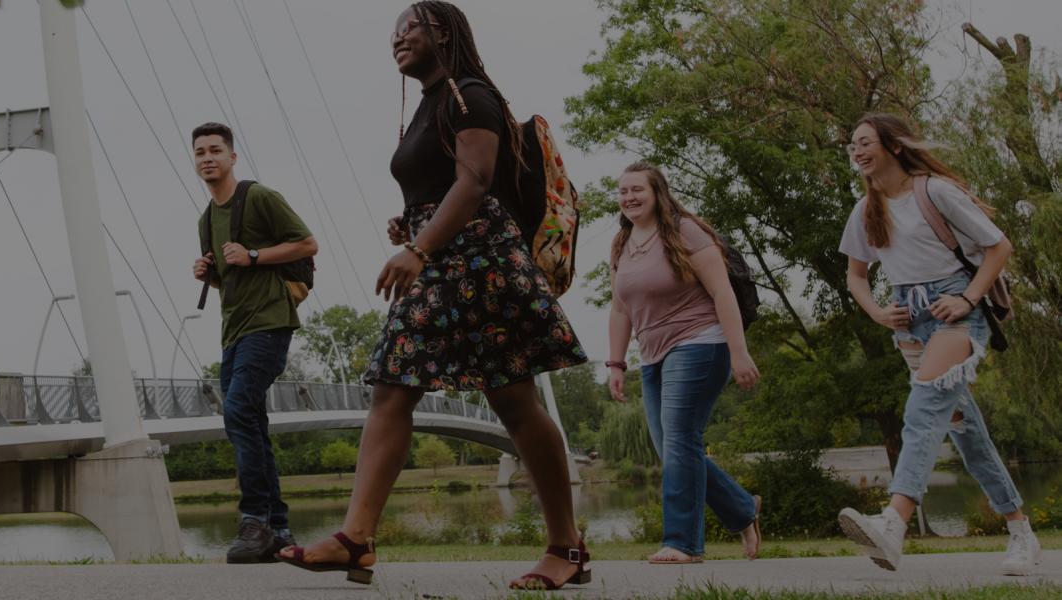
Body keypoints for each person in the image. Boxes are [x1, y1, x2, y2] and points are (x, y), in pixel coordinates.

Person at [277, 2, 590, 589]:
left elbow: (474, 180)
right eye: (392, 32)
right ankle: (355, 539)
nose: (396, 38)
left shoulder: (471, 93)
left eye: (409, 28)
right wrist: (413, 226)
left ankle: (565, 547)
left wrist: (418, 249)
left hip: (483, 263)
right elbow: (445, 185)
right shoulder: (429, 106)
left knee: (515, 402)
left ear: (442, 31)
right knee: (393, 386)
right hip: (443, 264)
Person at [836, 113, 1040, 575]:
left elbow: (999, 246)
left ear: (894, 146)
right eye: (852, 144)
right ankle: (1021, 533)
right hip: (908, 321)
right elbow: (856, 276)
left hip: (955, 314)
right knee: (969, 437)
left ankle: (893, 524)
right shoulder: (864, 209)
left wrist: (968, 297)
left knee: (922, 412)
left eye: (865, 142)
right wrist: (877, 312)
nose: (857, 150)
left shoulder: (935, 192)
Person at [605, 161, 763, 565]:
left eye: (637, 189)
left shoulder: (687, 231)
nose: (629, 197)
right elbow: (620, 309)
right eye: (623, 191)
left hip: (701, 343)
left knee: (678, 442)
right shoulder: (622, 244)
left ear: (658, 192)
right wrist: (616, 363)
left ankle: (682, 543)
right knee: (673, 448)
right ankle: (744, 509)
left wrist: (739, 350)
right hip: (653, 355)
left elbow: (722, 292)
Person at [189, 122, 318, 564]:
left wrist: (255, 255)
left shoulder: (259, 197)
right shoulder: (206, 220)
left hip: (270, 322)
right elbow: (232, 282)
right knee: (249, 422)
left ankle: (255, 520)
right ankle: (278, 530)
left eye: (215, 151)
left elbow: (307, 243)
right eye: (200, 152)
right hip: (234, 332)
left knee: (239, 409)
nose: (207, 158)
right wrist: (212, 275)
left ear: (232, 157)